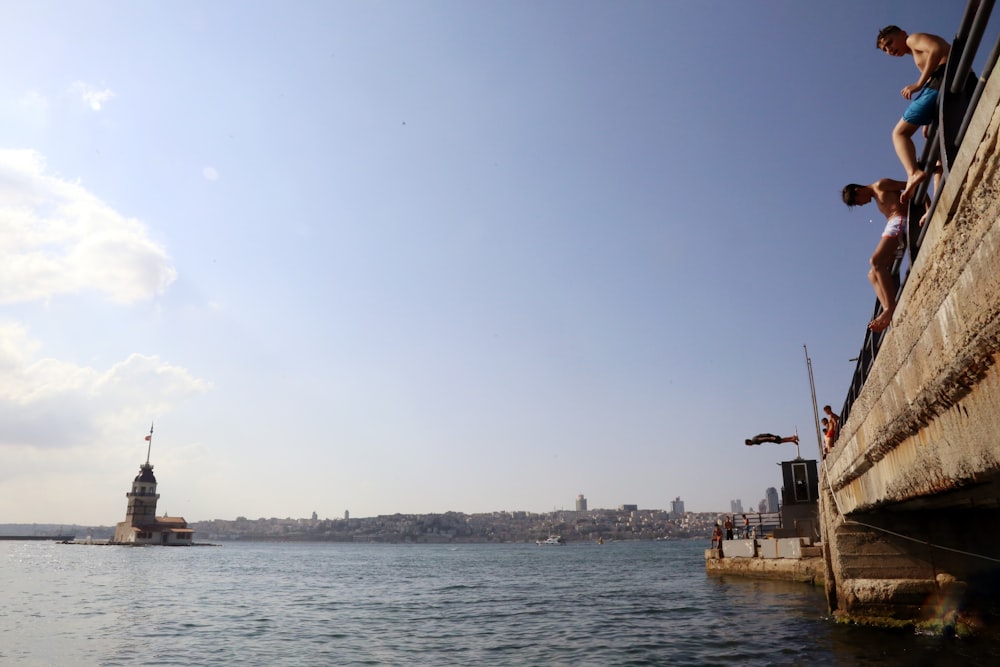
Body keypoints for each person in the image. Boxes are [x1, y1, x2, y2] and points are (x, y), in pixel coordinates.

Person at [876, 25, 950, 203]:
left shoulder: (913, 39)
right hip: (942, 84)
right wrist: (927, 121)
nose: (889, 50)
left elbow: (937, 49)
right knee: (936, 148)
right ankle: (938, 200)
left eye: (890, 43)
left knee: (899, 133)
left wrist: (918, 84)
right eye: (885, 49)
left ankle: (913, 172)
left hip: (942, 81)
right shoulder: (916, 54)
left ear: (902, 34)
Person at [841, 178, 909, 332]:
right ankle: (888, 309)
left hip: (899, 220)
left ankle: (889, 308)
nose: (863, 204)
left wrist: (927, 206)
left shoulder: (881, 185)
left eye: (859, 202)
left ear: (858, 191)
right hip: (892, 225)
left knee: (875, 261)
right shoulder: (876, 196)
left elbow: (911, 185)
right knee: (872, 274)